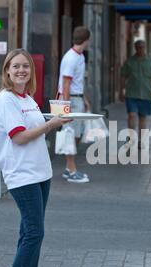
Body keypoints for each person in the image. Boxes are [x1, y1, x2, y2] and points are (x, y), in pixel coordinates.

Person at [0, 49, 71, 267]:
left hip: (40, 173)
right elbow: (19, 137)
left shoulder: (27, 98)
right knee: (35, 232)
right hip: (21, 174)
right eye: (15, 67)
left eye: (25, 66)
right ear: (7, 70)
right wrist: (51, 124)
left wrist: (53, 119)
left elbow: (35, 126)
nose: (21, 71)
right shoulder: (6, 100)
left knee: (28, 233)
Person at [57, 26, 91, 183]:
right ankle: (71, 170)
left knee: (75, 134)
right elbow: (66, 82)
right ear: (86, 40)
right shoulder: (71, 58)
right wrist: (66, 105)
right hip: (70, 99)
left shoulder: (79, 56)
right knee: (70, 134)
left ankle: (69, 168)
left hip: (76, 98)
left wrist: (84, 99)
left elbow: (76, 81)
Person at [120, 40, 151, 149]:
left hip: (146, 94)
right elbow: (123, 76)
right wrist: (121, 91)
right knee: (132, 115)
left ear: (145, 48)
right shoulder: (129, 62)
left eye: (142, 47)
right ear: (135, 48)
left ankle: (140, 140)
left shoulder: (150, 62)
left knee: (143, 118)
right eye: (138, 47)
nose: (140, 49)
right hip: (131, 94)